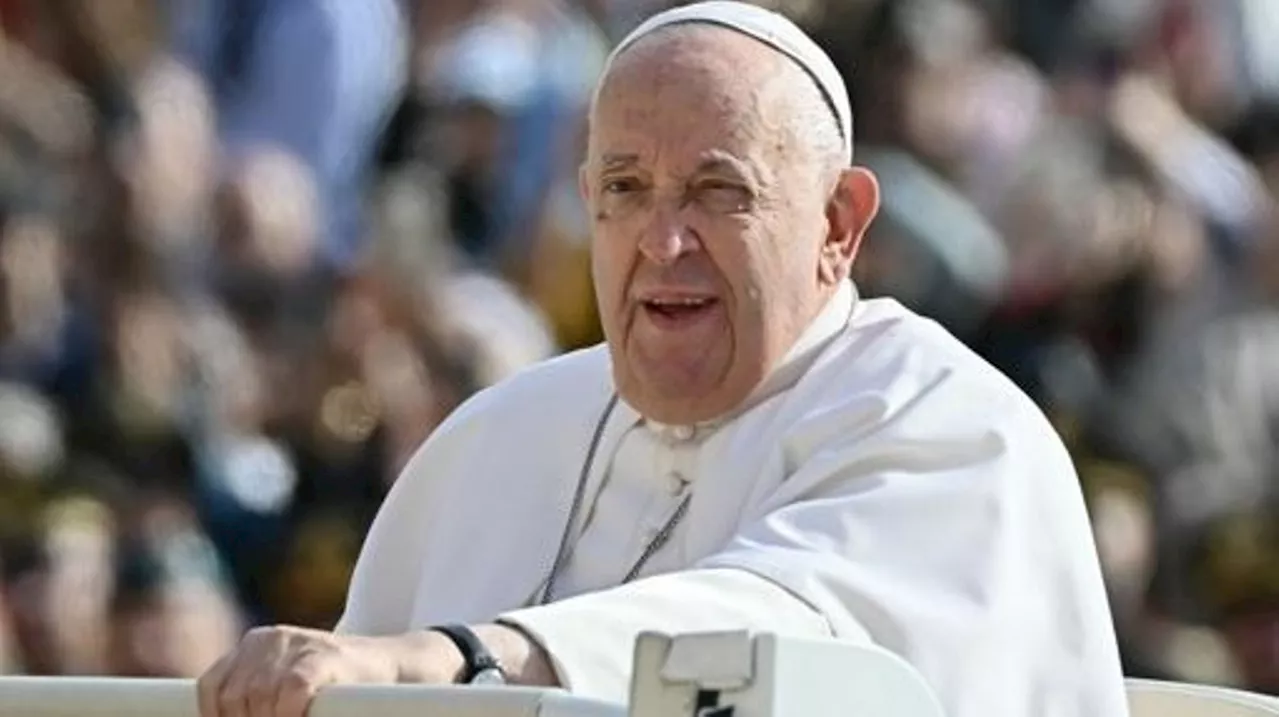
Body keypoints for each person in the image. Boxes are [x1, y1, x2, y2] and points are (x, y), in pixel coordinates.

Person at [196, 3, 1131, 716]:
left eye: (719, 191)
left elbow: (779, 640)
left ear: (838, 224)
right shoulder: (495, 438)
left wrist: (456, 657)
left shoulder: (953, 425)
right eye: (625, 189)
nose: (663, 239)